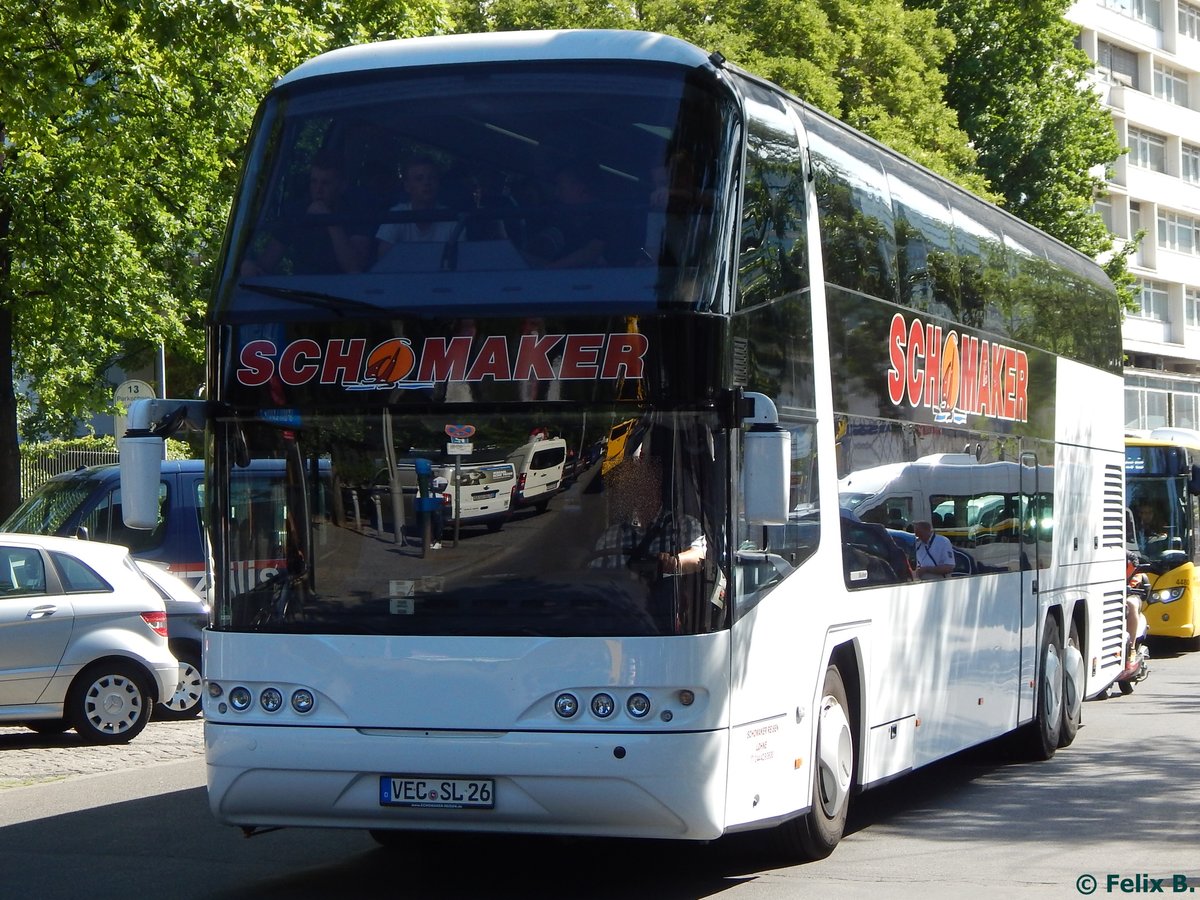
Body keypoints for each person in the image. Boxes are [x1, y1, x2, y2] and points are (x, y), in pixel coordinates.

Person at [241, 151, 372, 276]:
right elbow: (268, 261)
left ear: (342, 185)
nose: (318, 189)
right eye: (314, 181)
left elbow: (354, 268)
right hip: (300, 291)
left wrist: (330, 222)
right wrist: (250, 268)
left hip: (344, 294)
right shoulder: (297, 212)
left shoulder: (357, 212)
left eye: (326, 183)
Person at [589, 455, 706, 578]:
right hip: (619, 596)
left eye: (645, 487)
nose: (640, 495)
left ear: (657, 489)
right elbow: (594, 580)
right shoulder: (612, 535)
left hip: (668, 596)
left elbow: (698, 558)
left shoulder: (684, 524)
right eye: (632, 489)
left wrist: (675, 563)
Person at [527, 164, 609, 268]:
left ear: (582, 190)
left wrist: (544, 272)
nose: (556, 193)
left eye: (561, 188)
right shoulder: (561, 217)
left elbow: (590, 253)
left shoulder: (608, 217)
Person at [375, 156, 459, 254]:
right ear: (407, 186)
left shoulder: (452, 219)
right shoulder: (395, 216)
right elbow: (384, 260)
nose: (427, 183)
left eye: (432, 178)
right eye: (419, 179)